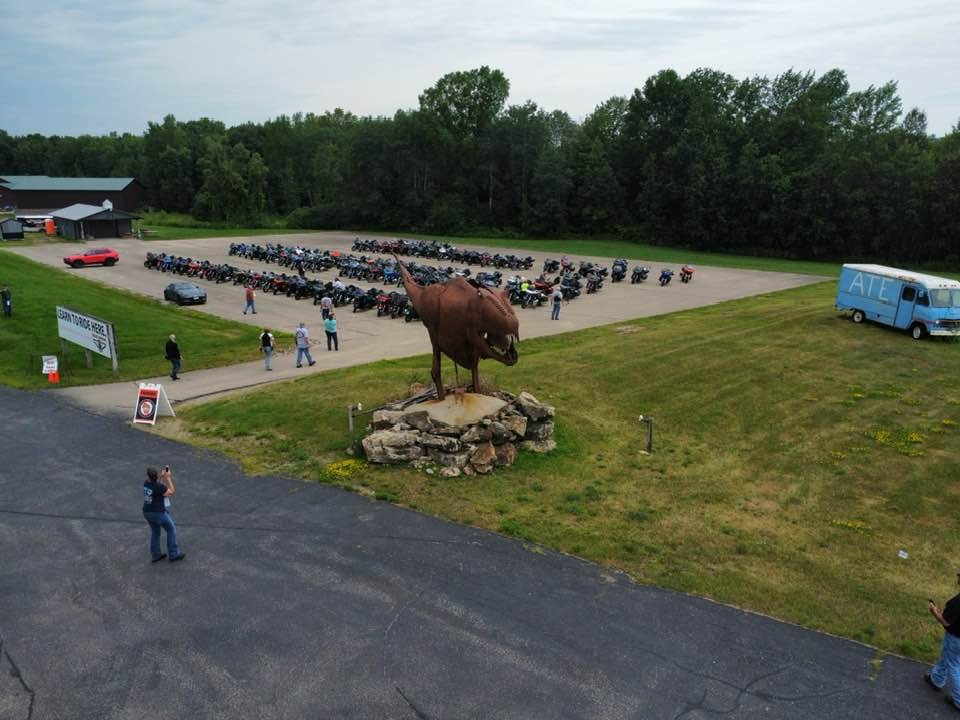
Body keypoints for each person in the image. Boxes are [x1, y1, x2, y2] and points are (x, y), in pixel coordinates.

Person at [927, 572, 960, 710]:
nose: (957, 576)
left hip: (955, 638)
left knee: (954, 666)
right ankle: (936, 679)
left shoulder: (956, 603)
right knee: (947, 657)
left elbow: (946, 622)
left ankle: (958, 700)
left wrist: (935, 612)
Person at [142, 466, 185, 563]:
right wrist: (168, 477)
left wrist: (161, 477)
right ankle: (174, 554)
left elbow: (157, 486)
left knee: (155, 532)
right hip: (158, 513)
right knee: (171, 529)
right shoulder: (159, 486)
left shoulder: (146, 483)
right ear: (156, 476)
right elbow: (171, 491)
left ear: (148, 476)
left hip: (147, 512)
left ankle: (156, 555)